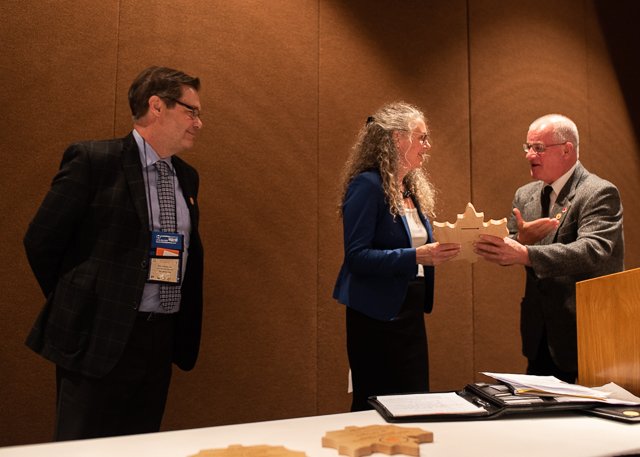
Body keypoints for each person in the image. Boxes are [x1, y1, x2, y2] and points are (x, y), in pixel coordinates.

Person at [23, 66, 205, 440]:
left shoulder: (187, 177)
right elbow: (41, 240)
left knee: (140, 445)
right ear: (157, 106)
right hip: (98, 338)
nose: (199, 123)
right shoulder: (95, 160)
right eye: (191, 111)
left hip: (158, 341)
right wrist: (86, 303)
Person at [474, 114, 624, 383]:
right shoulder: (525, 195)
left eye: (539, 148)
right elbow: (512, 245)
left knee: (587, 410)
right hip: (540, 330)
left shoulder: (598, 192)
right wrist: (520, 240)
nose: (529, 155)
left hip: (588, 328)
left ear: (567, 150)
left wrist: (526, 253)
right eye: (528, 147)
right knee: (539, 408)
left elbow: (593, 250)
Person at [333, 102, 461, 411]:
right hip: (376, 315)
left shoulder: (409, 188)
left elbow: (416, 246)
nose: (427, 146)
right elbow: (357, 257)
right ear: (396, 138)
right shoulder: (367, 185)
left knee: (414, 402)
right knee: (377, 405)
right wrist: (416, 256)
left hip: (410, 310)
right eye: (421, 137)